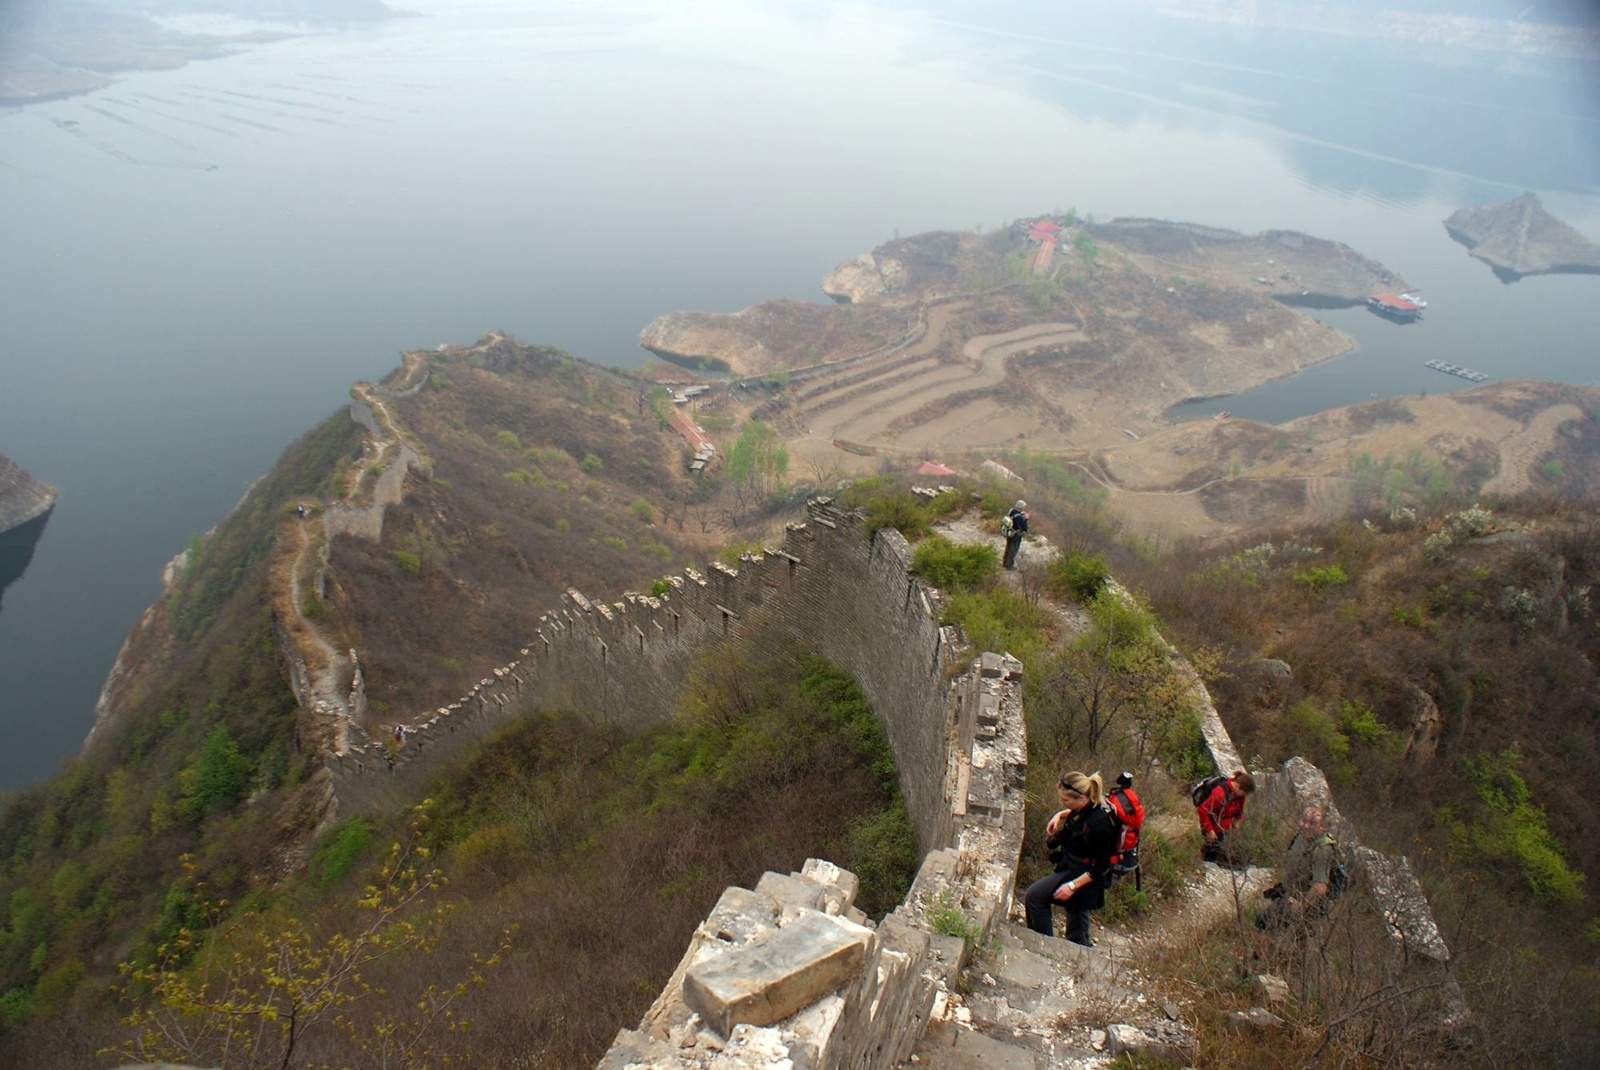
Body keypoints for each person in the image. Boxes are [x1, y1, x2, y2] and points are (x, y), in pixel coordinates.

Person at [1025, 771, 1117, 946]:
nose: (1062, 803)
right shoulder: (1087, 807)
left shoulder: (1100, 825)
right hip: (1072, 866)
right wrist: (1060, 815)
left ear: (1081, 798)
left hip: (1084, 874)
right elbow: (1081, 815)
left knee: (1035, 896)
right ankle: (1073, 951)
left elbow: (1101, 868)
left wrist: (1073, 886)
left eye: (1066, 801)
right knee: (1076, 921)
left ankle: (1044, 945)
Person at [1256, 804, 1337, 936]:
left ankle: (1260, 956)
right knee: (1283, 931)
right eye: (1304, 821)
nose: (1306, 826)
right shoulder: (1300, 838)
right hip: (1291, 896)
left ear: (1322, 826)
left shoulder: (1322, 849)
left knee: (1264, 921)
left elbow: (1320, 887)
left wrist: (1301, 908)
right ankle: (1272, 955)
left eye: (1312, 823)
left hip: (1309, 903)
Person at [1197, 770, 1255, 864]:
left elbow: (1239, 808)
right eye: (1245, 793)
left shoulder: (1239, 796)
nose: (1245, 796)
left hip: (1222, 827)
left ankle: (1205, 861)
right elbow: (1203, 810)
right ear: (1238, 787)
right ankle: (1206, 869)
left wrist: (1237, 819)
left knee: (1214, 849)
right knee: (1213, 852)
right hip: (1213, 826)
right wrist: (1209, 830)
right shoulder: (1220, 794)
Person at [1002, 499, 1029, 569]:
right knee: (1013, 549)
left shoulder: (1012, 511)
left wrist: (1021, 515)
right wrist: (1025, 519)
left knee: (1008, 548)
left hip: (1010, 533)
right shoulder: (1019, 517)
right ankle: (1009, 565)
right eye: (1023, 507)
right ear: (1021, 507)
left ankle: (1004, 562)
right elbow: (1024, 528)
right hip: (1016, 534)